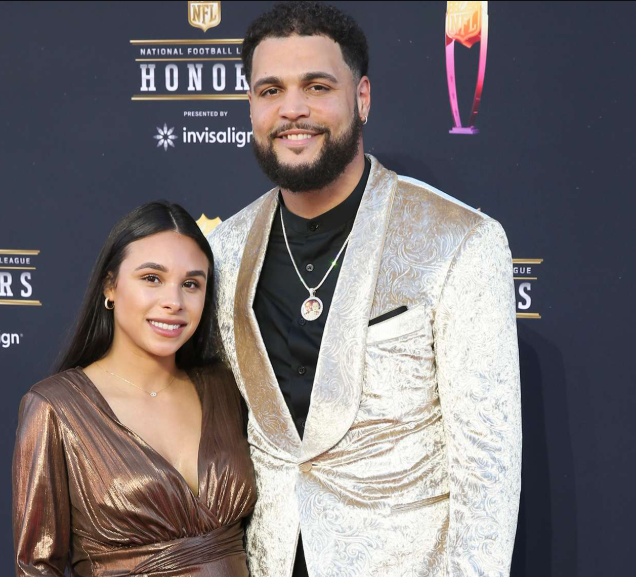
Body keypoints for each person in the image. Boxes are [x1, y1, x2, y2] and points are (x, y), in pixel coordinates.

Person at [208, 2, 522, 577]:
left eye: (317, 86)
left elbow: (488, 470)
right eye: (270, 90)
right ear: (251, 105)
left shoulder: (458, 242)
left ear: (363, 97)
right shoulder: (223, 251)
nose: (292, 109)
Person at [12, 202, 256, 577]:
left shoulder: (224, 387)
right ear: (110, 286)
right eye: (152, 278)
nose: (173, 302)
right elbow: (36, 567)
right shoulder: (55, 408)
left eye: (191, 284)